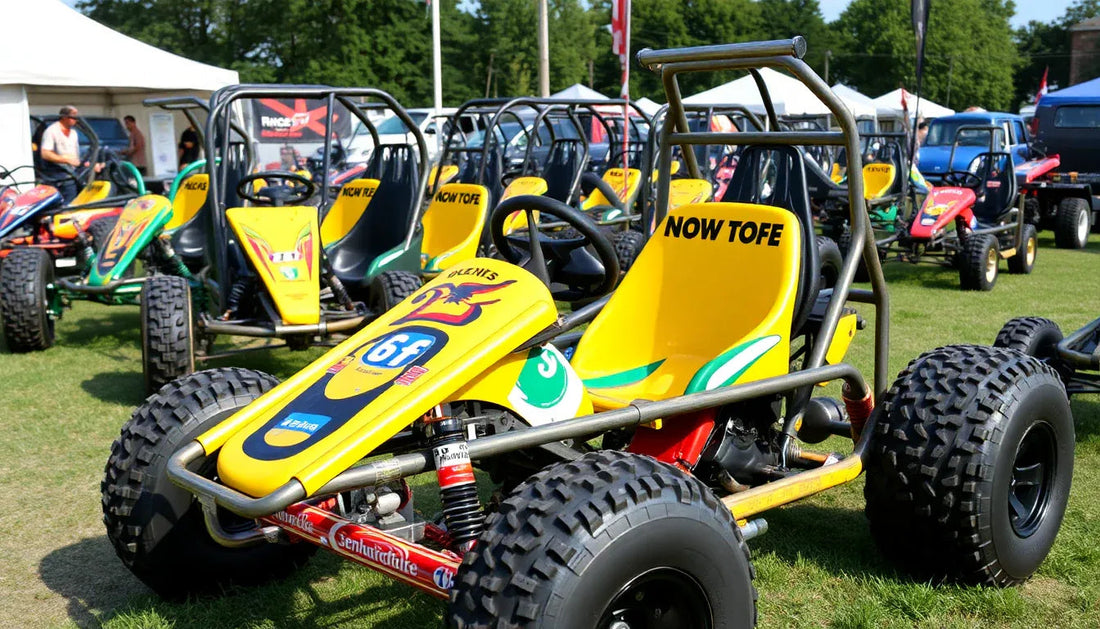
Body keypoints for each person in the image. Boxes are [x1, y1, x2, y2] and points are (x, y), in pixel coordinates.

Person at [39, 105, 84, 202]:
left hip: (72, 172)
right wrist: (66, 160)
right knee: (67, 195)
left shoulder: (73, 133)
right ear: (64, 117)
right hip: (57, 172)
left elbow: (76, 154)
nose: (76, 120)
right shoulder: (51, 131)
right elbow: (45, 153)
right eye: (73, 117)